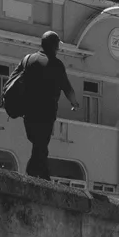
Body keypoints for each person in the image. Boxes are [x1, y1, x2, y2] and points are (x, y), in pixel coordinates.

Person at [19, 30, 76, 179]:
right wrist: (74, 102)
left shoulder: (28, 59)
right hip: (46, 113)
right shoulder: (56, 64)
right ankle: (36, 176)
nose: (58, 49)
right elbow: (67, 87)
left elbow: (15, 80)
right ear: (53, 46)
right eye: (57, 45)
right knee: (41, 145)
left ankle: (40, 175)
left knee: (38, 144)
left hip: (28, 112)